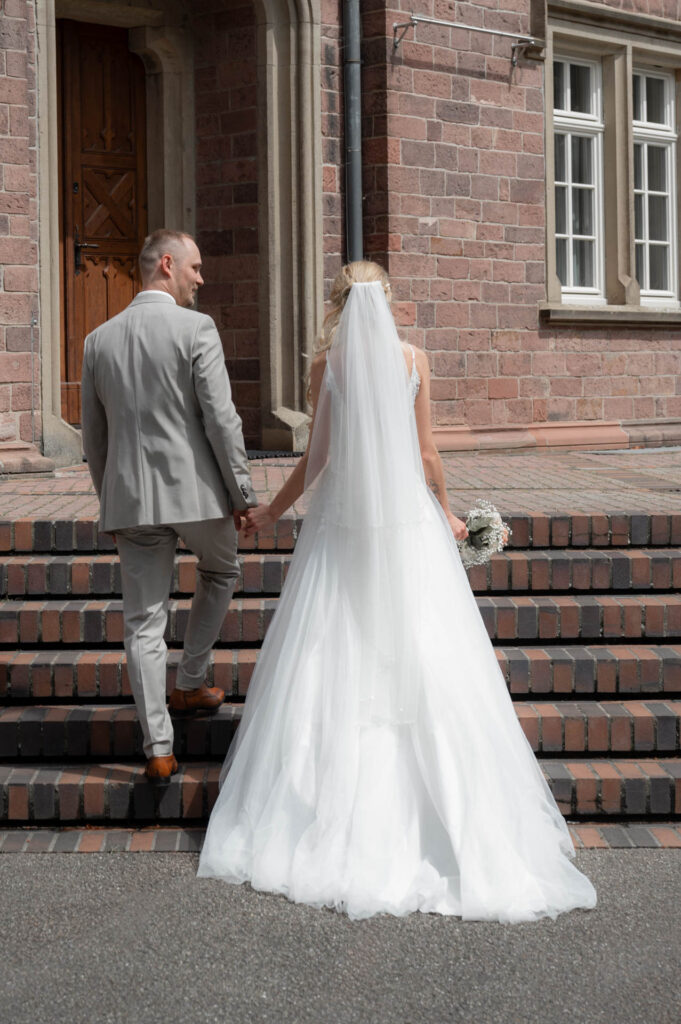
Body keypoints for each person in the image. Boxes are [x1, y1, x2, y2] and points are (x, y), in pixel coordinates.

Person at [198, 260, 596, 922]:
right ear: (387, 303)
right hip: (407, 521)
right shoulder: (414, 359)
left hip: (343, 523)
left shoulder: (327, 366)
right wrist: (447, 513)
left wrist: (270, 512)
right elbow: (427, 451)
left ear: (337, 305)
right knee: (422, 642)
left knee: (334, 643)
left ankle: (316, 815)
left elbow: (317, 458)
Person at [81, 229, 257, 785]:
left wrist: (109, 501)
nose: (200, 278)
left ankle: (158, 747)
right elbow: (221, 419)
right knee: (222, 569)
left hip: (130, 499)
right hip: (196, 493)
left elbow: (94, 438)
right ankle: (190, 680)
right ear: (166, 264)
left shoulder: (97, 341)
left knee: (143, 623)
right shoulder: (196, 328)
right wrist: (242, 494)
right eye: (195, 267)